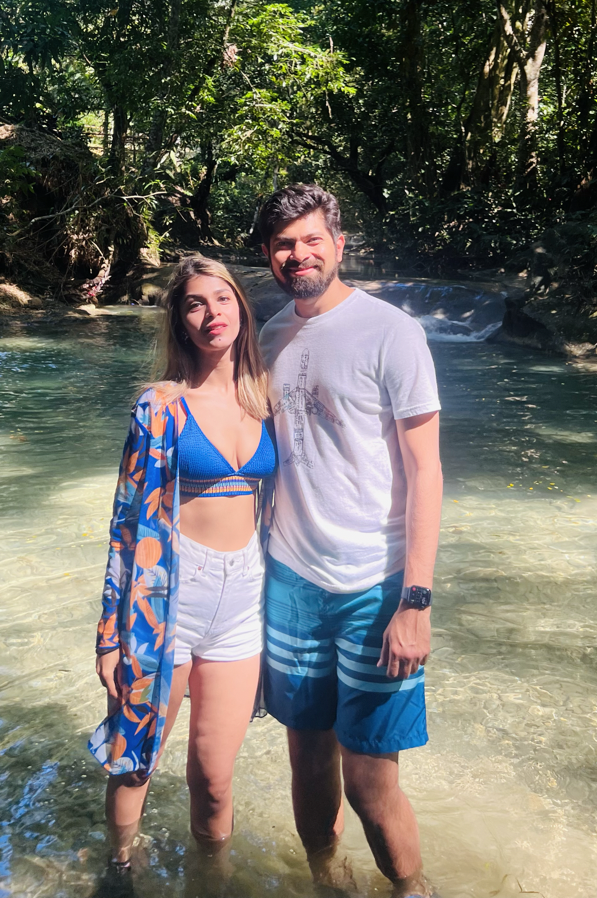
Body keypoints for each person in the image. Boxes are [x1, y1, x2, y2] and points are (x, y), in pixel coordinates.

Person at [257, 184, 442, 898]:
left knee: (369, 779)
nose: (297, 255)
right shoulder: (269, 338)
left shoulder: (392, 332)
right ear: (270, 258)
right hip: (291, 583)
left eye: (310, 240)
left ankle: (411, 888)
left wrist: (416, 600)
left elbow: (426, 469)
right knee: (306, 758)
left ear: (338, 245)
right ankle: (324, 881)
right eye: (282, 245)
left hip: (375, 583)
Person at [88, 255, 275, 878]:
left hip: (243, 603)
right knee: (137, 758)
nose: (211, 313)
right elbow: (125, 523)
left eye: (222, 300)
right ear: (180, 320)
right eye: (195, 303)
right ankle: (119, 869)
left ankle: (211, 882)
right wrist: (110, 635)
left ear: (241, 310)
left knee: (216, 779)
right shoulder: (160, 405)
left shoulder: (265, 397)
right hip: (168, 598)